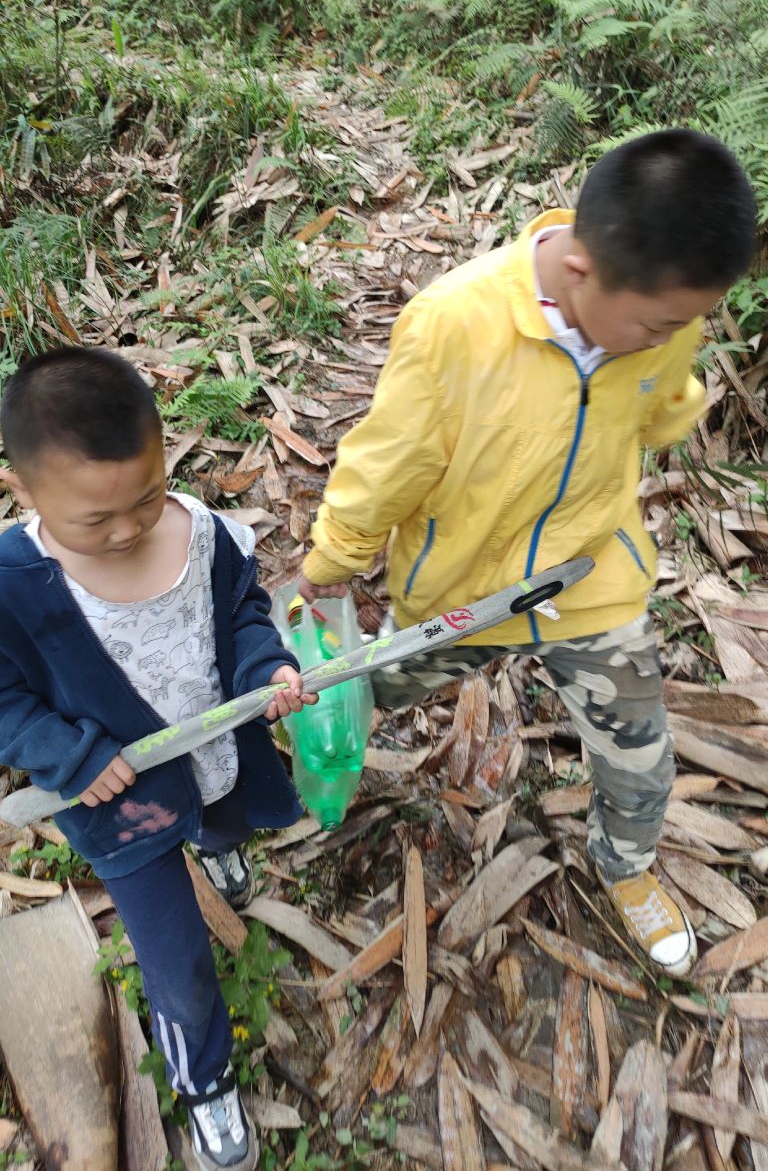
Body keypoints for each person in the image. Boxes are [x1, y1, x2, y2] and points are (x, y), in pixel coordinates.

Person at [298, 128, 757, 978]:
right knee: (368, 690)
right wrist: (331, 564)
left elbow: (661, 398)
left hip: (588, 577)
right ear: (581, 269)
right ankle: (296, 769)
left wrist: (674, 399)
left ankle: (625, 865)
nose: (672, 337)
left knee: (640, 754)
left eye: (687, 323)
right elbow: (386, 464)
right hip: (462, 591)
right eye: (659, 324)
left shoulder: (664, 316)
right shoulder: (455, 327)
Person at [0, 348, 316, 1171]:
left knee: (223, 821)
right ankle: (205, 1078)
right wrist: (70, 755)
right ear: (24, 491)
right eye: (94, 520)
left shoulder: (202, 535)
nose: (127, 529)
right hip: (123, 810)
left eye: (145, 497)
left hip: (213, 758)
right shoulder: (12, 588)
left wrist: (266, 667)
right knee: (178, 966)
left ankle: (218, 849)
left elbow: (243, 614)